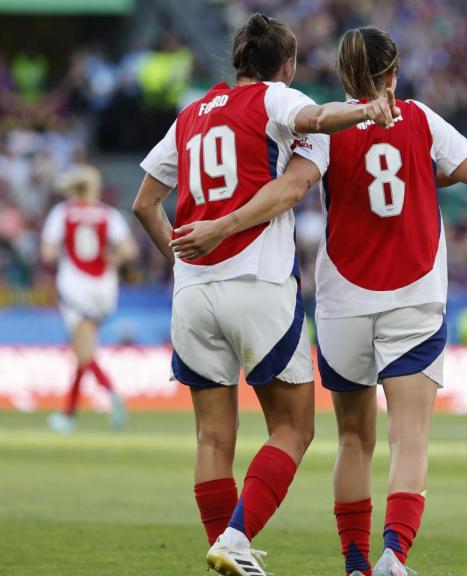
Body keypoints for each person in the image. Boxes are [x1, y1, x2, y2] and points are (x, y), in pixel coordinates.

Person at [167, 24, 467, 576]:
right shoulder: (421, 119)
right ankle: (393, 554)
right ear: (393, 72)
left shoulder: (323, 132)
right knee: (409, 436)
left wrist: (220, 226)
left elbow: (292, 188)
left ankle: (355, 563)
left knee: (353, 439)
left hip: (342, 301)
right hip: (413, 297)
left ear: (344, 75)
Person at [131, 13, 397, 576]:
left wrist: (181, 263)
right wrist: (365, 109)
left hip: (192, 294)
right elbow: (313, 124)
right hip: (256, 283)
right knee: (294, 427)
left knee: (211, 439)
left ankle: (226, 550)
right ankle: (235, 539)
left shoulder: (191, 115)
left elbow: (144, 203)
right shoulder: (275, 99)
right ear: (288, 64)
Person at [41, 165, 137, 434]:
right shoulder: (109, 214)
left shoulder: (62, 213)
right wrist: (111, 259)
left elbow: (48, 253)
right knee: (83, 350)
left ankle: (110, 392)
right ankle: (68, 415)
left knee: (84, 351)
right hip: (104, 288)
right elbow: (129, 250)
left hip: (75, 287)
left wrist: (62, 253)